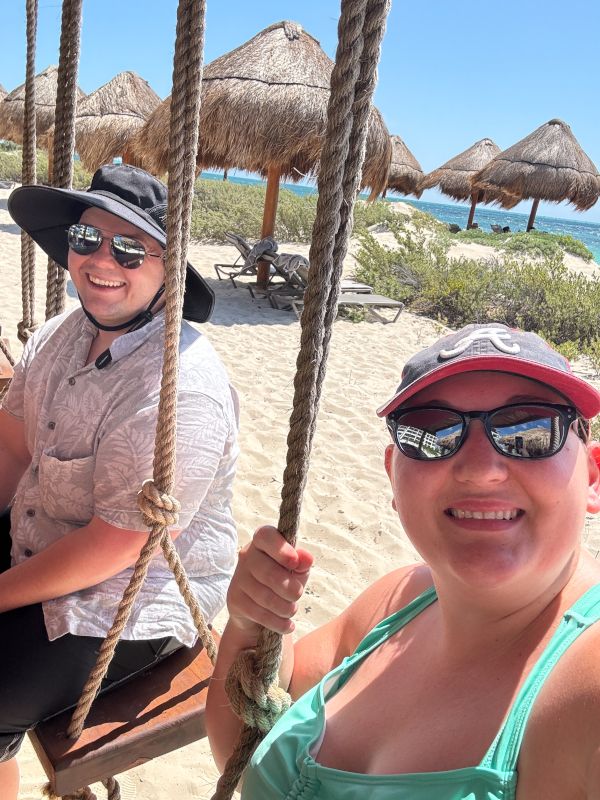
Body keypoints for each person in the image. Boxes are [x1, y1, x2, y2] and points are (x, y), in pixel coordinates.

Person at [207, 322, 600, 800]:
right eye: (431, 432)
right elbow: (246, 747)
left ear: (593, 475)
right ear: (394, 474)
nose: (479, 468)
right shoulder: (396, 601)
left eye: (531, 431)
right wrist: (250, 623)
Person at [0, 164, 239, 798]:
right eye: (87, 240)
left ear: (169, 271)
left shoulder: (180, 390)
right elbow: (12, 448)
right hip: (46, 531)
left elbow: (116, 546)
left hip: (136, 597)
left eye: (131, 248)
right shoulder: (59, 333)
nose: (102, 260)